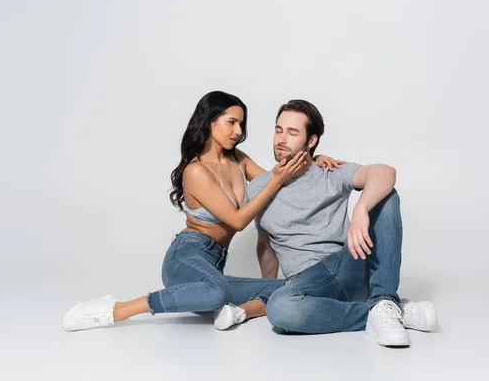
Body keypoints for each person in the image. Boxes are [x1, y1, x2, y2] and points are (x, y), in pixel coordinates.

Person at [62, 91, 342, 332]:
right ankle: (117, 309)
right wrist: (278, 179)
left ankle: (236, 312)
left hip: (214, 266)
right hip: (186, 257)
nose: (238, 132)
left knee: (285, 288)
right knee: (216, 291)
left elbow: (280, 179)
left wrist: (312, 160)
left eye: (241, 124)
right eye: (231, 122)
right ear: (209, 123)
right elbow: (238, 219)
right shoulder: (196, 171)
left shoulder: (238, 160)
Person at [246, 99, 438, 347]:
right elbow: (265, 243)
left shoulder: (331, 171)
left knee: (386, 195)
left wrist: (361, 209)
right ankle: (384, 313)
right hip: (307, 285)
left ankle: (384, 299)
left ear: (311, 140)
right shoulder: (258, 188)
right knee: (280, 308)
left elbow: (385, 172)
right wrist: (270, 287)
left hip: (347, 266)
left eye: (292, 132)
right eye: (278, 130)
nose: (281, 139)